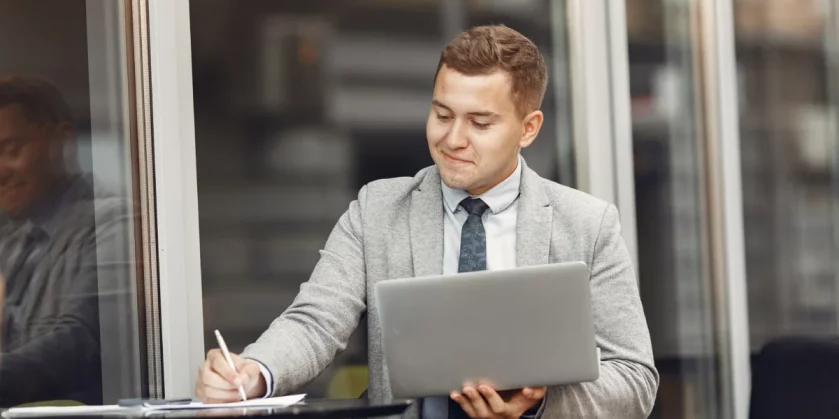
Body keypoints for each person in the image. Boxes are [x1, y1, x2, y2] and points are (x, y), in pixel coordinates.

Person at [195, 25, 658, 418]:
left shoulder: (588, 224)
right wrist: (254, 373)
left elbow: (635, 380)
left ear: (529, 128)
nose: (452, 138)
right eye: (442, 114)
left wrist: (536, 404)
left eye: (479, 123)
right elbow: (315, 322)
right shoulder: (377, 209)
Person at [0, 75, 131, 406]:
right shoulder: (12, 242)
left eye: (11, 150)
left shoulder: (116, 223)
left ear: (62, 140)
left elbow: (81, 341)